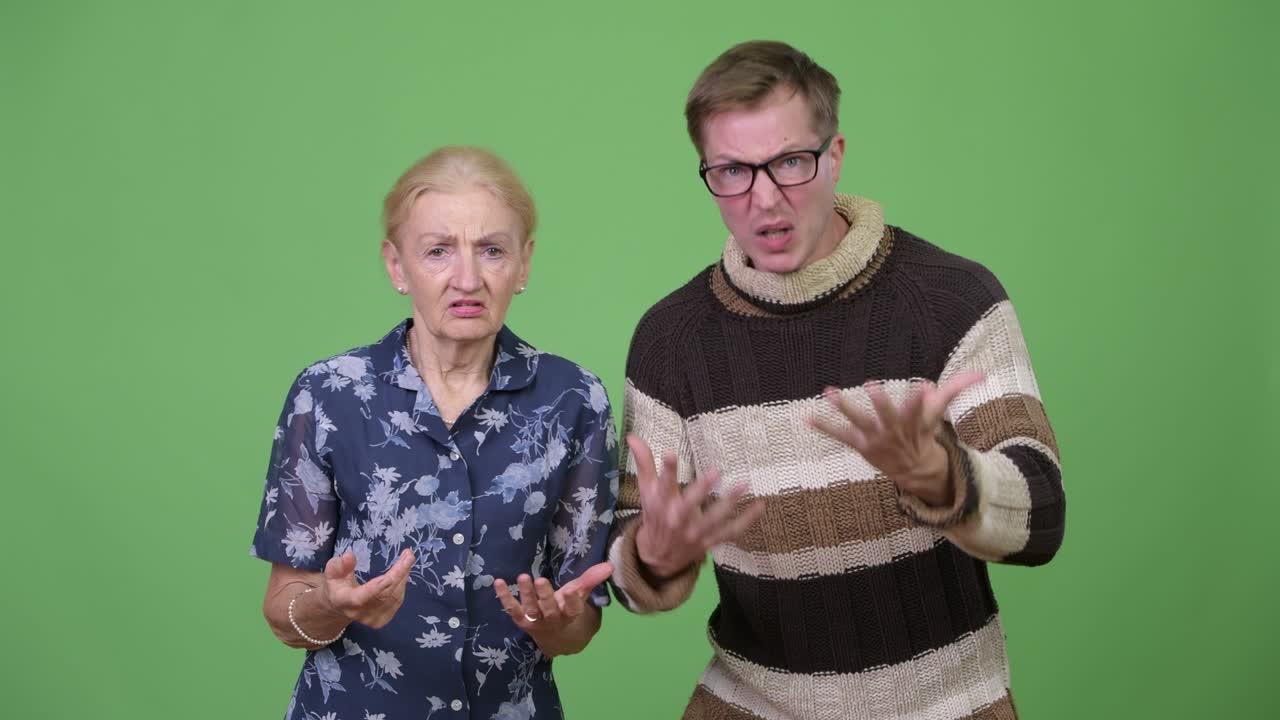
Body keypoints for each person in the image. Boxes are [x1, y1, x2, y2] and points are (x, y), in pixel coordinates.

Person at [608, 41, 1065, 720]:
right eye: (732, 171)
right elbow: (627, 573)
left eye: (790, 162)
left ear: (835, 155)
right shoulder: (670, 342)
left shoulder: (954, 301)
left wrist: (942, 476)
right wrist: (650, 555)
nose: (765, 198)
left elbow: (1042, 518)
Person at [250, 146, 618, 720]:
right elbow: (283, 613)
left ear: (523, 265)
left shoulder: (574, 399)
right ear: (397, 266)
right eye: (438, 251)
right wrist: (331, 602)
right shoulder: (328, 395)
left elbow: (579, 620)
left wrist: (555, 625)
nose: (467, 279)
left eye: (492, 250)